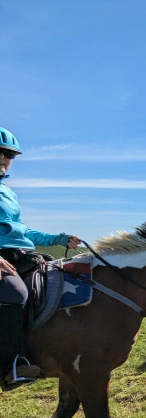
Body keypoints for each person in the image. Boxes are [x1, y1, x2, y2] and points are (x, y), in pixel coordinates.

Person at [0, 126, 82, 387]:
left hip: (18, 254)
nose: (4, 159)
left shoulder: (8, 194)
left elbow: (23, 231)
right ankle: (10, 365)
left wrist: (59, 239)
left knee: (54, 282)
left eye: (9, 154)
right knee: (16, 294)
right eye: (0, 152)